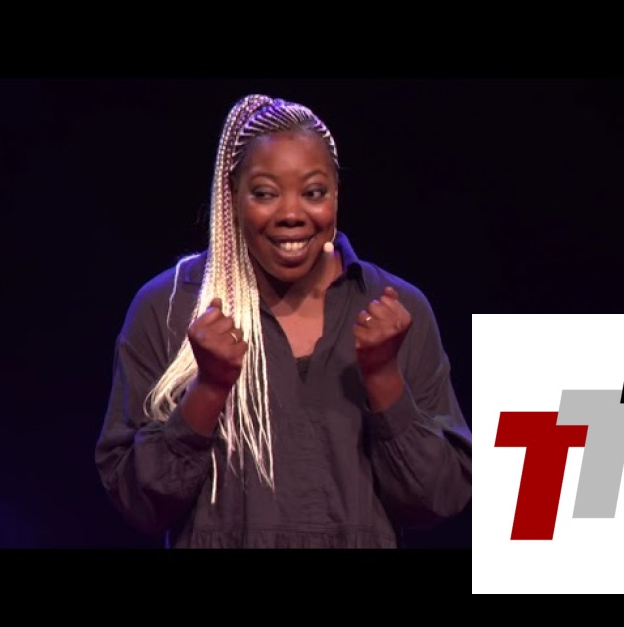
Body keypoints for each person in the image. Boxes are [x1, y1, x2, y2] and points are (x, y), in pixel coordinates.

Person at [95, 93, 472, 548]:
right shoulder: (170, 305)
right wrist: (209, 389)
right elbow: (137, 501)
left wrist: (383, 377)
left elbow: (437, 498)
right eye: (264, 194)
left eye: (313, 193)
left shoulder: (396, 309)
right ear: (232, 198)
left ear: (336, 196)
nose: (291, 214)